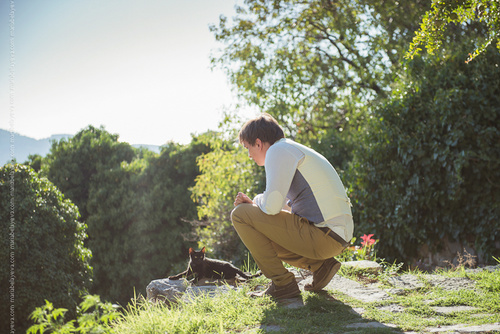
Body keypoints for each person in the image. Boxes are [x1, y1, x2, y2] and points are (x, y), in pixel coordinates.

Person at [231, 113, 354, 299]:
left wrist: (254, 202)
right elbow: (282, 210)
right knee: (261, 227)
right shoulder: (290, 149)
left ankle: (283, 284)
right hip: (334, 237)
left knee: (240, 214)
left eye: (248, 148)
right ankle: (322, 266)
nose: (249, 155)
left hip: (324, 236)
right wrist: (257, 204)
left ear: (258, 143)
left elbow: (271, 207)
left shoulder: (277, 151)